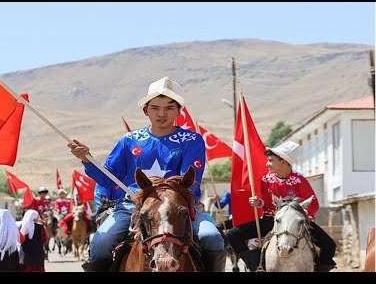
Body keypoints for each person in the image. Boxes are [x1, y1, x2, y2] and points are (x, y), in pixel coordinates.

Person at [68, 76, 225, 272]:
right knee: (101, 241)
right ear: (146, 110)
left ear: (179, 111)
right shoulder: (129, 140)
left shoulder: (192, 140)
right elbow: (108, 180)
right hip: (132, 206)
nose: (162, 113)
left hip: (177, 209)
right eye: (155, 108)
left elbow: (189, 182)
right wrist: (87, 159)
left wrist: (166, 199)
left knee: (212, 238)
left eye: (169, 107)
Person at [225, 141, 337, 272]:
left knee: (329, 245)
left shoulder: (299, 180)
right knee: (233, 234)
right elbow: (264, 201)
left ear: (283, 161)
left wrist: (299, 216)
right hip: (270, 220)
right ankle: (255, 264)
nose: (267, 164)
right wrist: (258, 202)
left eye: (271, 161)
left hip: (296, 221)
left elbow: (312, 203)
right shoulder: (266, 179)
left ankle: (318, 269)